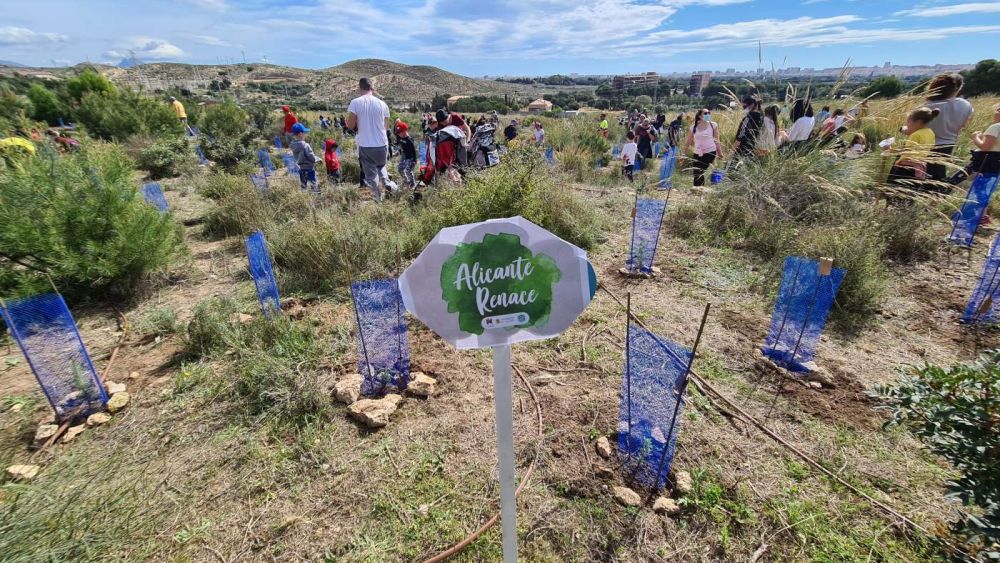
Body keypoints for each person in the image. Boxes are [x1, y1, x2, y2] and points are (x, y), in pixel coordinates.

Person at [347, 78, 397, 201]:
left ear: (360, 88)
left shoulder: (355, 102)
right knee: (381, 166)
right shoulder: (383, 104)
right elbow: (386, 127)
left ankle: (377, 198)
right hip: (382, 144)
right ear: (372, 88)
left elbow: (350, 125)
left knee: (371, 176)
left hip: (366, 145)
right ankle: (387, 183)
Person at [925, 73, 974, 181]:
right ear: (958, 88)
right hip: (948, 144)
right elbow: (964, 126)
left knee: (920, 174)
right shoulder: (965, 105)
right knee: (938, 175)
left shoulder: (927, 105)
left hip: (924, 144)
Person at [887, 106, 940, 188]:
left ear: (918, 122)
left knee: (897, 188)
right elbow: (931, 148)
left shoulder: (915, 135)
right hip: (920, 166)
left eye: (908, 121)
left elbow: (907, 151)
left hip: (906, 167)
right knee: (911, 188)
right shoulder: (930, 132)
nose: (906, 124)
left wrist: (891, 150)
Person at [682, 108, 724, 187]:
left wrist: (720, 153)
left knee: (700, 171)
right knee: (696, 173)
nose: (708, 115)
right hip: (697, 153)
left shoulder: (713, 125)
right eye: (705, 113)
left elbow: (716, 140)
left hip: (710, 152)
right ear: (699, 116)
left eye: (709, 113)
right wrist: (684, 153)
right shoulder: (693, 127)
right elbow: (688, 141)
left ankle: (700, 189)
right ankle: (697, 190)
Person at [289, 123, 318, 192]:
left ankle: (304, 196)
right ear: (300, 134)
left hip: (301, 168)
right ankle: (315, 195)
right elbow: (311, 157)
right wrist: (317, 159)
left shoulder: (293, 145)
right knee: (313, 184)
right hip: (309, 168)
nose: (305, 134)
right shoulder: (305, 145)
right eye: (304, 132)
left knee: (303, 185)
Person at [395, 120, 417, 191]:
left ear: (405, 130)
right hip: (404, 157)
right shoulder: (401, 139)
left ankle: (413, 184)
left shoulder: (409, 140)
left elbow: (413, 150)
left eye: (400, 132)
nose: (399, 134)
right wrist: (398, 152)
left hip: (410, 158)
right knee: (400, 169)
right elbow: (402, 147)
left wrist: (414, 160)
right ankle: (406, 180)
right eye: (398, 133)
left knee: (408, 170)